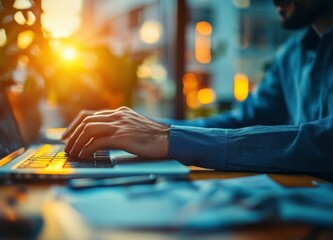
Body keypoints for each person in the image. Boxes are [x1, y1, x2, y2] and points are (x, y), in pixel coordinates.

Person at [62, 0, 333, 180]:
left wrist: (169, 138)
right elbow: (243, 120)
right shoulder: (292, 55)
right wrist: (132, 127)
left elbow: (325, 142)